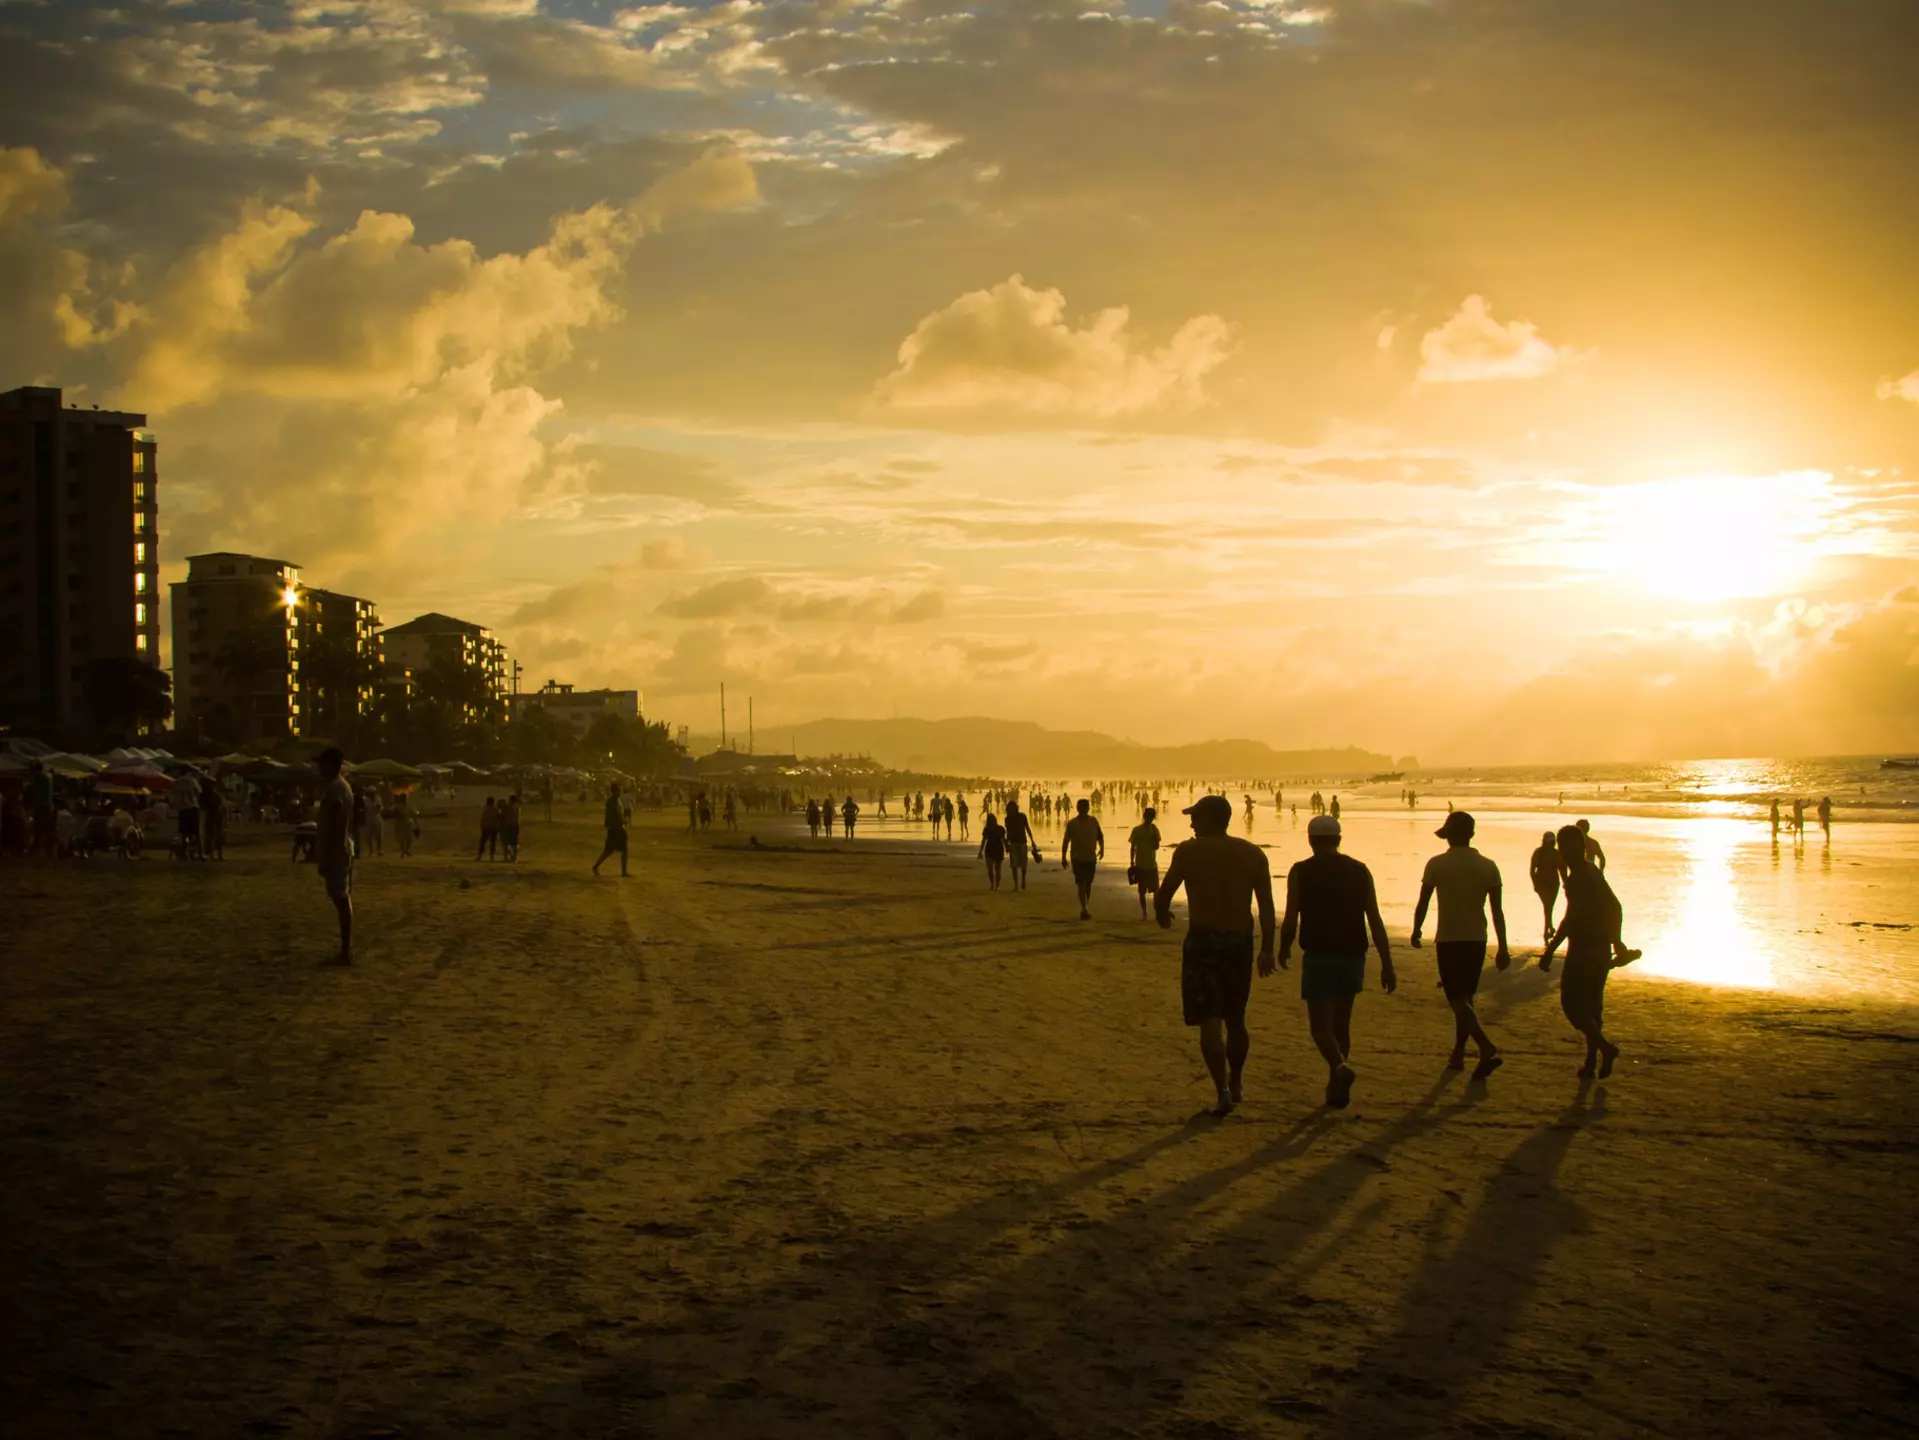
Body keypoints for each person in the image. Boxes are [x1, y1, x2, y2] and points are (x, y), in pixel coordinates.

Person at [1155, 795, 1276, 1117]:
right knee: (1236, 1017)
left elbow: (1164, 892)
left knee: (1210, 1019)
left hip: (1204, 941)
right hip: (1240, 941)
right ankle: (1235, 1082)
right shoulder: (1253, 854)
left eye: (1195, 817)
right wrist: (1267, 948)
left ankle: (1222, 1090)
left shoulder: (1189, 851)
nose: (1191, 823)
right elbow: (1266, 905)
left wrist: (1162, 913)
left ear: (1210, 819)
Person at [1278, 814, 1395, 1108]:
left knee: (1320, 1028)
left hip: (1319, 954)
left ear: (1310, 840)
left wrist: (1283, 946)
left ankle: (1340, 1070)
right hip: (1354, 954)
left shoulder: (1301, 871)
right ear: (1339, 840)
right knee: (1342, 1024)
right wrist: (1387, 962)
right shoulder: (1360, 870)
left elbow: (1291, 915)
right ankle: (1336, 1082)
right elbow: (1375, 919)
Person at [1410, 811, 1510, 1079]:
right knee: (1466, 1000)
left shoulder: (1437, 865)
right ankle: (1458, 1054)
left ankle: (1486, 1047)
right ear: (1471, 835)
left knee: (1457, 1000)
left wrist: (1417, 928)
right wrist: (1503, 946)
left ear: (1449, 836)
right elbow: (1497, 911)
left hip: (1449, 939)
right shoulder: (1488, 866)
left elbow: (1424, 901)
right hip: (1477, 939)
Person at [1543, 823, 1628, 1077]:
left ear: (1581, 846)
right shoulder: (1592, 870)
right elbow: (1615, 906)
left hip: (1583, 949)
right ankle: (1591, 1062)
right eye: (1562, 845)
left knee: (1571, 1004)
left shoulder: (1579, 876)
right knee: (1592, 1006)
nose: (1565, 851)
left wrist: (1550, 950)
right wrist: (1615, 941)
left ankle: (1604, 1048)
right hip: (1600, 948)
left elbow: (1571, 918)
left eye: (1569, 845)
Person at [315, 748, 355, 965]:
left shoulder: (336, 788)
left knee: (340, 898)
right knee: (340, 897)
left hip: (337, 850)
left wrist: (327, 854)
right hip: (340, 849)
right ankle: (345, 949)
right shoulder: (340, 786)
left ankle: (345, 950)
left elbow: (335, 824)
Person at [1061, 798, 1105, 920]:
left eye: (1086, 808)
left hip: (1091, 857)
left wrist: (1102, 849)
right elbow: (1066, 840)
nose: (1084, 810)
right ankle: (1084, 908)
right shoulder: (1072, 823)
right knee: (1081, 883)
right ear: (1078, 809)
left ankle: (1085, 906)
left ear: (1088, 808)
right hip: (1077, 858)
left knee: (1088, 884)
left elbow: (1100, 836)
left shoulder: (1093, 821)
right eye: (1082, 808)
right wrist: (1063, 856)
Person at [1127, 806, 1162, 920]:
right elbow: (1132, 847)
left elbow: (1156, 847)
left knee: (1155, 891)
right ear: (1144, 817)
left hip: (1152, 864)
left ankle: (1156, 912)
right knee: (1142, 891)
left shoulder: (1155, 829)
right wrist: (1132, 862)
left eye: (1152, 817)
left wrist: (1153, 837)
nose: (1150, 819)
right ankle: (1144, 912)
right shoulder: (1137, 830)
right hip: (1141, 864)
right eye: (1148, 817)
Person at [1528, 831, 1560, 944]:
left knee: (1549, 906)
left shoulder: (1557, 853)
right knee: (1547, 905)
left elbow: (1562, 869)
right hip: (1542, 883)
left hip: (1554, 883)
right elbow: (1532, 870)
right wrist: (1535, 884)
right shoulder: (1538, 853)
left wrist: (1567, 883)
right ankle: (1547, 929)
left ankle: (1549, 927)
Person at [592, 783, 629, 877]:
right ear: (615, 791)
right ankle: (623, 872)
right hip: (616, 828)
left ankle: (596, 866)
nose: (620, 792)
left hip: (613, 828)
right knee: (623, 850)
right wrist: (623, 821)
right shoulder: (613, 802)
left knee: (608, 851)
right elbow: (616, 816)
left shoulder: (613, 801)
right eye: (618, 790)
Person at [1005, 801, 1037, 891]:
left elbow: (1027, 828)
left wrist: (1032, 841)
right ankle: (1016, 885)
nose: (1011, 811)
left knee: (1023, 864)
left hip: (1022, 842)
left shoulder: (1022, 816)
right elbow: (1008, 832)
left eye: (1012, 809)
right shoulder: (1007, 819)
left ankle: (1023, 880)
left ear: (1016, 808)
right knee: (1014, 865)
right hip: (1013, 843)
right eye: (1009, 809)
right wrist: (1007, 844)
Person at [978, 811, 1006, 889]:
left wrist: (980, 851)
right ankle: (995, 884)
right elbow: (984, 840)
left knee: (995, 869)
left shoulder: (998, 829)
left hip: (993, 849)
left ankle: (995, 884)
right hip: (995, 849)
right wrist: (980, 851)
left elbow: (983, 841)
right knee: (995, 869)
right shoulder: (990, 829)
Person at [202, 779, 228, 861]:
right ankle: (214, 854)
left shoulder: (214, 795)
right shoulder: (211, 795)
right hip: (213, 816)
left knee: (216, 836)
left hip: (215, 816)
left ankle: (216, 854)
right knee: (213, 836)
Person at [391, 790, 413, 857]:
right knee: (402, 839)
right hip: (400, 824)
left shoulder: (408, 806)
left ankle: (406, 849)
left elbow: (413, 815)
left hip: (408, 823)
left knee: (409, 838)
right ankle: (403, 851)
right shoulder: (397, 806)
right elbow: (393, 813)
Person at [501, 792, 522, 862]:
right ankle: (514, 858)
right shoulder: (517, 808)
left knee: (506, 843)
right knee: (515, 843)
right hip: (515, 825)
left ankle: (506, 857)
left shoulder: (507, 807)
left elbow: (503, 815)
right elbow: (517, 818)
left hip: (507, 825)